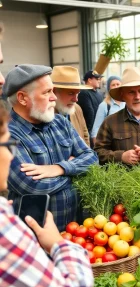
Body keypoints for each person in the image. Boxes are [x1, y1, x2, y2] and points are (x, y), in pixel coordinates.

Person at [4, 64, 98, 232]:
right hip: (36, 236)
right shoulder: (7, 135)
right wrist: (76, 172)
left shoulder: (60, 122)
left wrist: (59, 168)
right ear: (22, 98)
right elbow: (33, 187)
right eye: (47, 92)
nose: (54, 97)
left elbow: (92, 157)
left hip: (75, 229)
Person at [51, 66, 91, 146]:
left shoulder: (77, 109)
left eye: (77, 93)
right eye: (71, 93)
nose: (76, 99)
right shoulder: (45, 115)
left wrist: (85, 155)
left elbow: (85, 135)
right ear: (54, 91)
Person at [91, 75, 124, 144]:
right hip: (109, 144)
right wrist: (97, 148)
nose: (116, 86)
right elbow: (96, 128)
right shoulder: (104, 105)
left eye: (118, 84)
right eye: (113, 85)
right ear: (109, 88)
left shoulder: (127, 104)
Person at [77, 70, 104, 147]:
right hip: (91, 132)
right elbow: (89, 113)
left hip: (100, 129)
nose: (99, 80)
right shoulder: (84, 93)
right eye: (97, 79)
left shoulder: (99, 94)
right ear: (89, 80)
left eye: (99, 79)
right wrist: (90, 133)